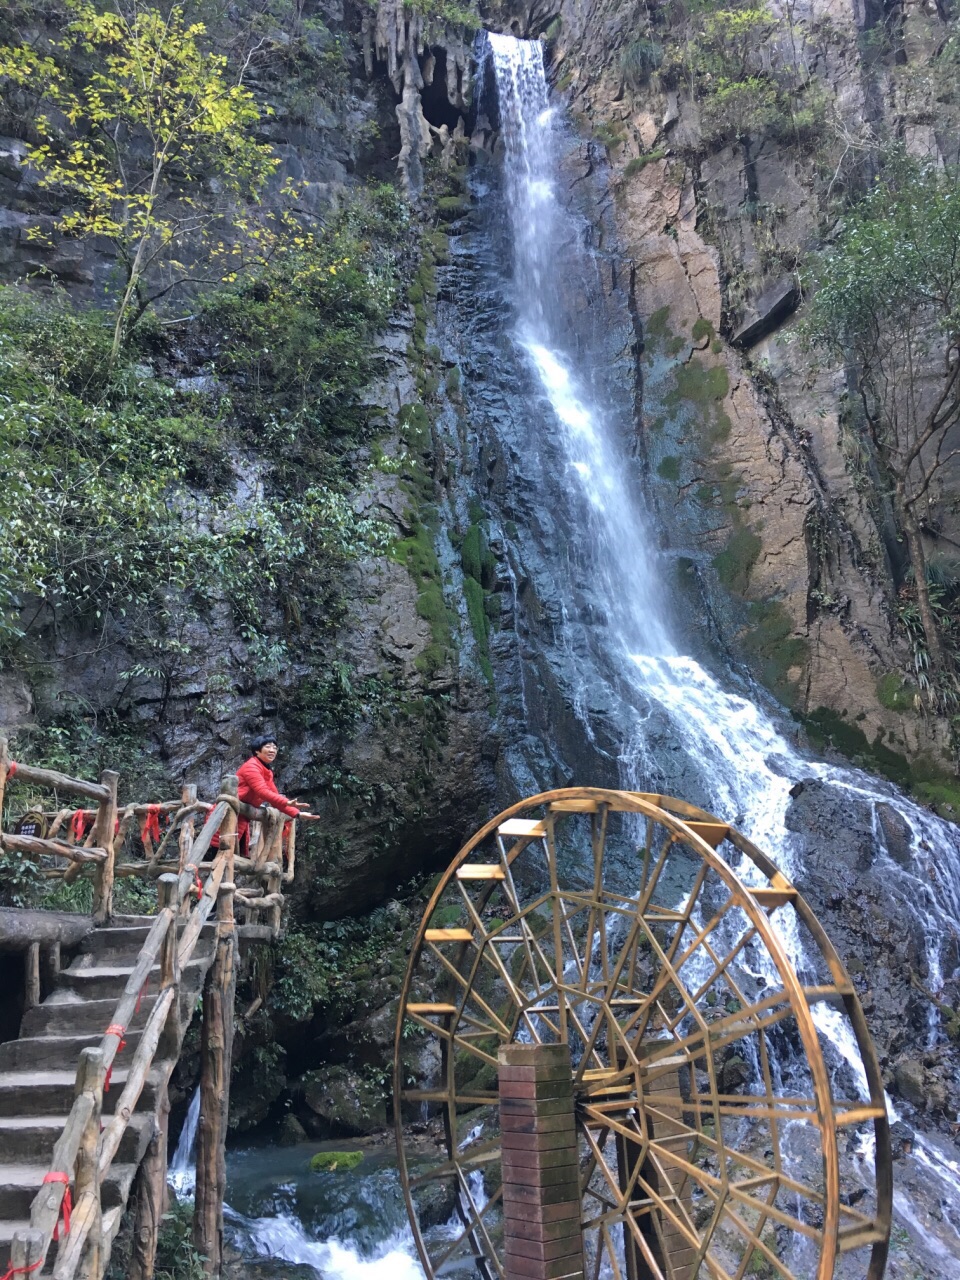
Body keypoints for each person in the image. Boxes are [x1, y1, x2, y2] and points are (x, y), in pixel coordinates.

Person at [236, 733, 318, 856]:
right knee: (219, 853)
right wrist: (286, 802)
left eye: (275, 747)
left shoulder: (266, 771)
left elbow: (274, 796)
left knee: (230, 857)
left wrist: (297, 814)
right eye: (268, 747)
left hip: (241, 815)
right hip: (230, 813)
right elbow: (262, 791)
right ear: (257, 751)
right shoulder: (251, 766)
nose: (272, 750)